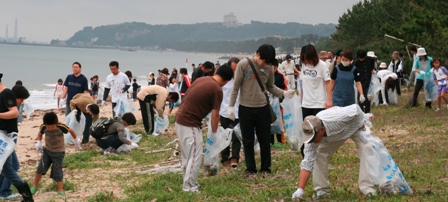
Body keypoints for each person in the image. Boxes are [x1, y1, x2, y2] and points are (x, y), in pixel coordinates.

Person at [229, 44, 295, 176]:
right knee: (248, 141)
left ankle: (265, 168)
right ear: (258, 54)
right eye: (263, 61)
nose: (264, 64)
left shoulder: (269, 67)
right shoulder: (244, 64)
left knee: (265, 140)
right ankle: (250, 169)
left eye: (267, 62)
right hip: (246, 108)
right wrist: (231, 106)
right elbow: (236, 86)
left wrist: (284, 93)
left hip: (263, 108)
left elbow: (270, 86)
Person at [291, 104, 376, 199]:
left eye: (313, 138)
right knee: (318, 153)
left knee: (368, 148)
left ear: (321, 130)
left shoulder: (337, 117)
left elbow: (356, 109)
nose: (312, 141)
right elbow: (307, 162)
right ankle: (322, 190)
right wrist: (300, 189)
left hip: (355, 127)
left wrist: (362, 122)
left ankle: (368, 188)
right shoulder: (312, 140)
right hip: (332, 136)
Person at [175, 63, 234, 192]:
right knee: (195, 156)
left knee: (187, 155)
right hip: (189, 123)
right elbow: (215, 115)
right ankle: (189, 186)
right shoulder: (217, 89)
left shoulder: (203, 79)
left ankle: (188, 181)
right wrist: (213, 133)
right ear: (228, 80)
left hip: (179, 119)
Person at [0, 73, 34, 201]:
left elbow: (14, 113)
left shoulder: (7, 93)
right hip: (3, 135)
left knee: (8, 167)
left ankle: (26, 197)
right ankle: (25, 197)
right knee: (9, 166)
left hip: (7, 136)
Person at [32, 112, 80, 195]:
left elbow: (71, 130)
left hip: (59, 152)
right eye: (48, 126)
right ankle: (34, 187)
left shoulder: (61, 127)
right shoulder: (43, 127)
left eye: (52, 126)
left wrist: (76, 139)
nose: (50, 128)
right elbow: (40, 133)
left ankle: (60, 189)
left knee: (57, 170)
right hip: (47, 151)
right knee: (40, 169)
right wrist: (39, 142)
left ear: (56, 123)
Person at [219, 58, 241, 168]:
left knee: (237, 137)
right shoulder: (224, 81)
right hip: (224, 112)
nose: (235, 72)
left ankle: (235, 158)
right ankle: (224, 157)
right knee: (225, 136)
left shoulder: (242, 80)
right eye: (233, 69)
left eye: (237, 69)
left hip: (238, 113)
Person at [300, 44, 332, 119]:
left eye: (308, 59)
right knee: (308, 128)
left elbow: (328, 82)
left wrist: (329, 100)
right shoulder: (304, 65)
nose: (306, 61)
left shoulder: (322, 65)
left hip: (319, 104)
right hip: (306, 104)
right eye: (304, 59)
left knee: (319, 128)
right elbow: (303, 82)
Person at [271, 59, 288, 148]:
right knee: (270, 122)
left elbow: (284, 89)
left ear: (276, 67)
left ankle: (280, 140)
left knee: (279, 122)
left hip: (278, 103)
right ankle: (271, 141)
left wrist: (281, 100)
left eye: (273, 67)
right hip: (269, 102)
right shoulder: (266, 75)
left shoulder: (280, 76)